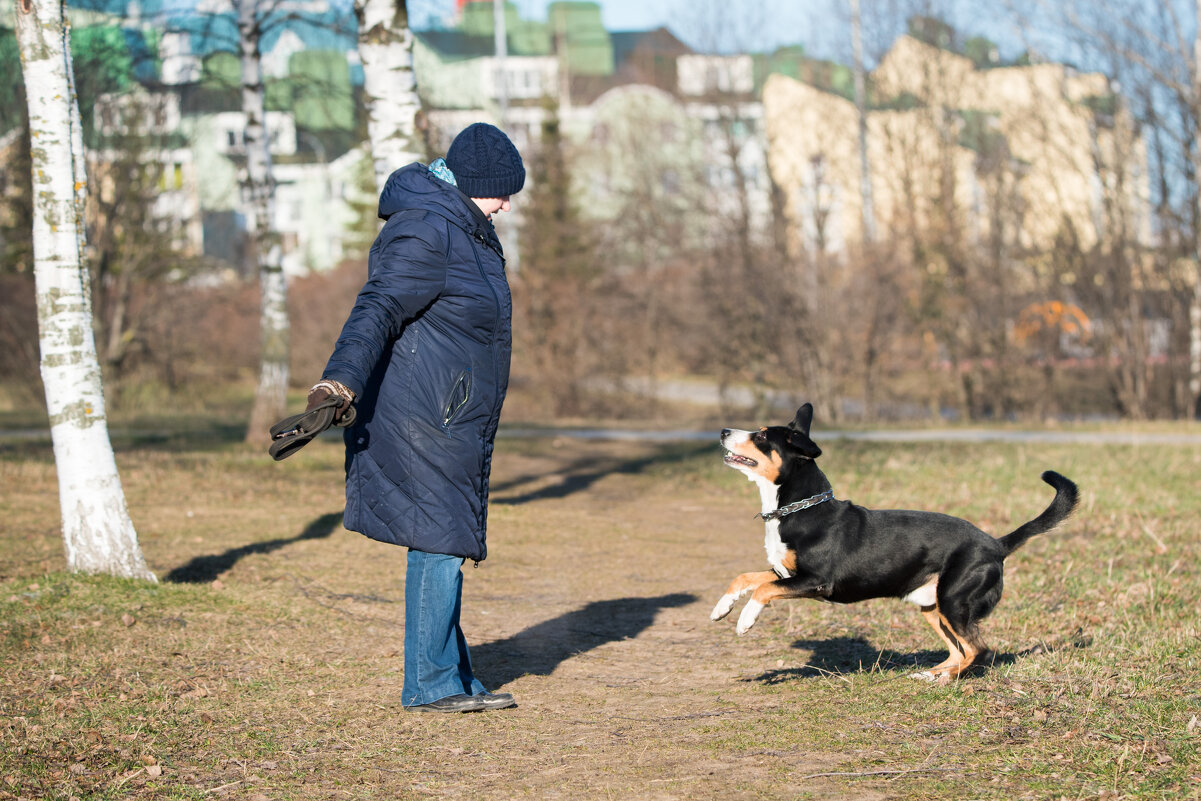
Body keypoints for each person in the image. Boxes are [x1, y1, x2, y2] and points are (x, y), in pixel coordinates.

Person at [306, 123, 524, 713]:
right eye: (502, 192)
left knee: (445, 535)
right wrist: (339, 380)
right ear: (473, 185)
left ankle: (452, 676)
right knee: (438, 538)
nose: (507, 203)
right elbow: (376, 306)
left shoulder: (461, 227)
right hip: (421, 414)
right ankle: (429, 686)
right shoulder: (428, 230)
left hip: (446, 409)